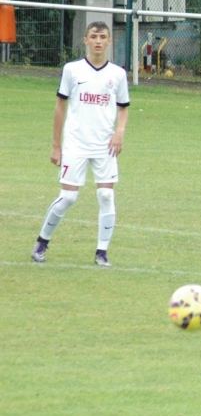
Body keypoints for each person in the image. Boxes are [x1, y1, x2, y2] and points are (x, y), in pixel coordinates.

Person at [31, 21, 129, 267]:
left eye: (102, 37)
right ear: (85, 40)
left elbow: (123, 108)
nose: (98, 41)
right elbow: (60, 107)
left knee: (106, 195)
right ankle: (42, 241)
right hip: (75, 144)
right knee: (68, 197)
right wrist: (56, 145)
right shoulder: (72, 70)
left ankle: (101, 252)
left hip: (105, 146)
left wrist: (120, 131)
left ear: (109, 41)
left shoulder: (117, 74)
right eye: (93, 36)